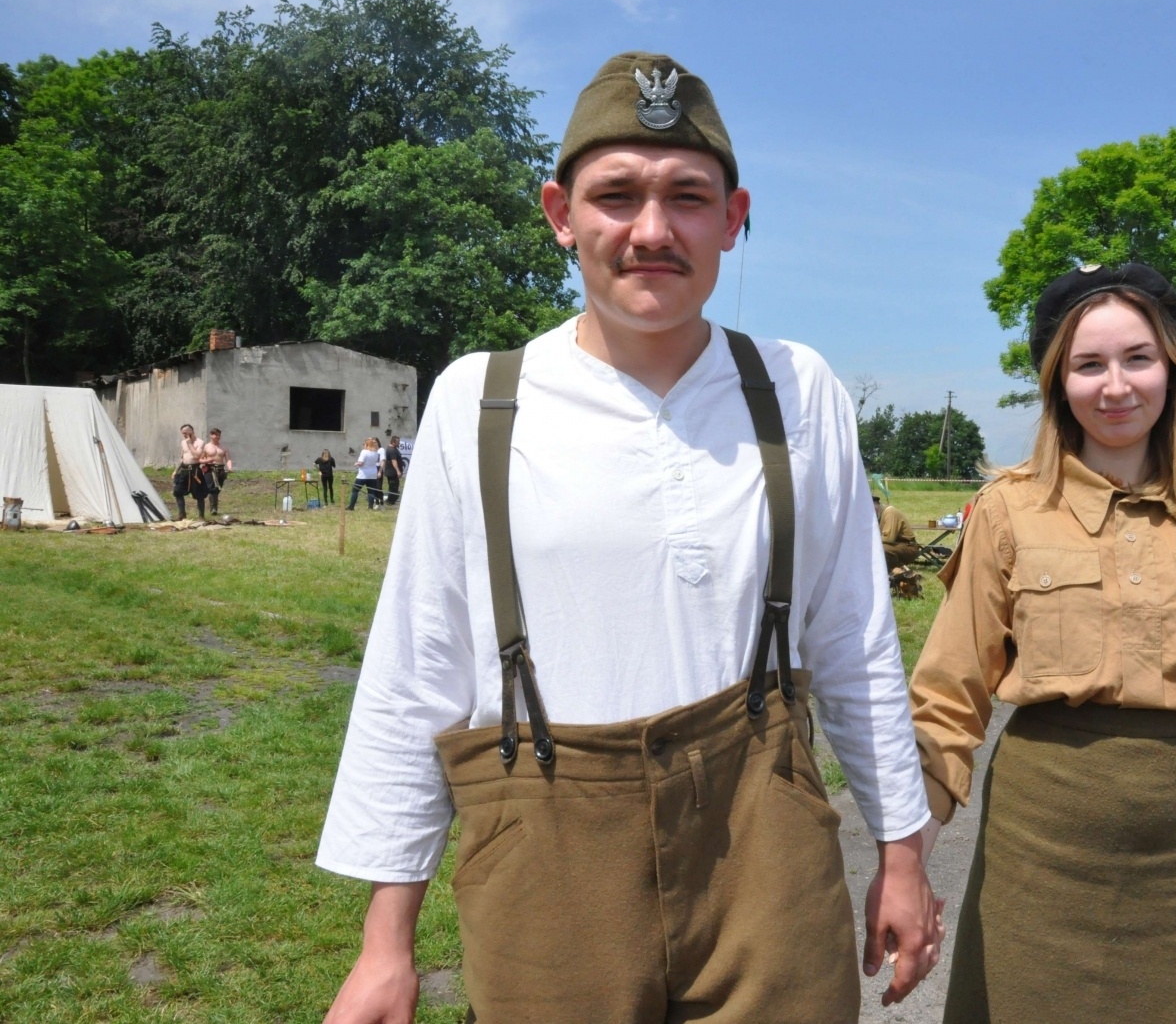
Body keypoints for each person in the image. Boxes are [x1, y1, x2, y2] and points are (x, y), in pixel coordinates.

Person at [319, 52, 941, 1024]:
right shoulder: (480, 398)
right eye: (616, 195)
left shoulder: (797, 389)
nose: (652, 230)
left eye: (687, 197)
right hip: (545, 863)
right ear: (560, 214)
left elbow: (854, 640)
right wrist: (384, 942)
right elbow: (418, 666)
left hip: (766, 850)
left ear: (732, 219)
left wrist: (902, 854)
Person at [909, 263, 1176, 1023]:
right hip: (1038, 856)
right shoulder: (1007, 511)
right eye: (1088, 364)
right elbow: (947, 707)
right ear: (1059, 383)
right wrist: (908, 868)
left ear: (1173, 372)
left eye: (1138, 358)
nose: (1115, 386)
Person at [874, 494, 921, 570]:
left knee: (881, 549)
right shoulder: (875, 516)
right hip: (894, 547)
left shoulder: (889, 512)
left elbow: (888, 539)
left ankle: (902, 571)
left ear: (876, 505)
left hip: (908, 547)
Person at [198, 428, 234, 515]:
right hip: (210, 469)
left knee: (217, 489)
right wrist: (207, 461)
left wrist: (230, 467)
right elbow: (200, 459)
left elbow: (228, 459)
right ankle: (213, 508)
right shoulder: (206, 447)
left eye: (219, 435)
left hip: (220, 469)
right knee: (211, 488)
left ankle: (214, 506)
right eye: (216, 435)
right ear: (211, 435)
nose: (218, 437)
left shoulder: (224, 447)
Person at [170, 424, 203, 521]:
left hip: (195, 470)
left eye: (186, 433)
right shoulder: (183, 442)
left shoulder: (200, 442)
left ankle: (201, 516)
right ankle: (182, 515)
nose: (184, 435)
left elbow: (197, 456)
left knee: (199, 493)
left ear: (192, 431)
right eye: (183, 433)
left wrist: (189, 444)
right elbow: (182, 458)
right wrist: (176, 470)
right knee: (178, 492)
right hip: (184, 470)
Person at [347, 438, 383, 510]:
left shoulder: (364, 452)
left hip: (363, 475)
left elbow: (361, 463)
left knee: (355, 490)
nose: (363, 445)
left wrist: (356, 464)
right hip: (372, 474)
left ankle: (351, 506)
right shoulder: (376, 453)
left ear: (367, 445)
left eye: (364, 444)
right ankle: (370, 507)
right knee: (371, 491)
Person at [382, 436, 406, 506]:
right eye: (397, 442)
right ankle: (390, 501)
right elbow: (394, 461)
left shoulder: (394, 449)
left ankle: (391, 500)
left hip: (393, 472)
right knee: (393, 487)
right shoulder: (391, 450)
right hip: (392, 472)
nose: (399, 444)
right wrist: (398, 471)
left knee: (395, 486)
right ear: (393, 442)